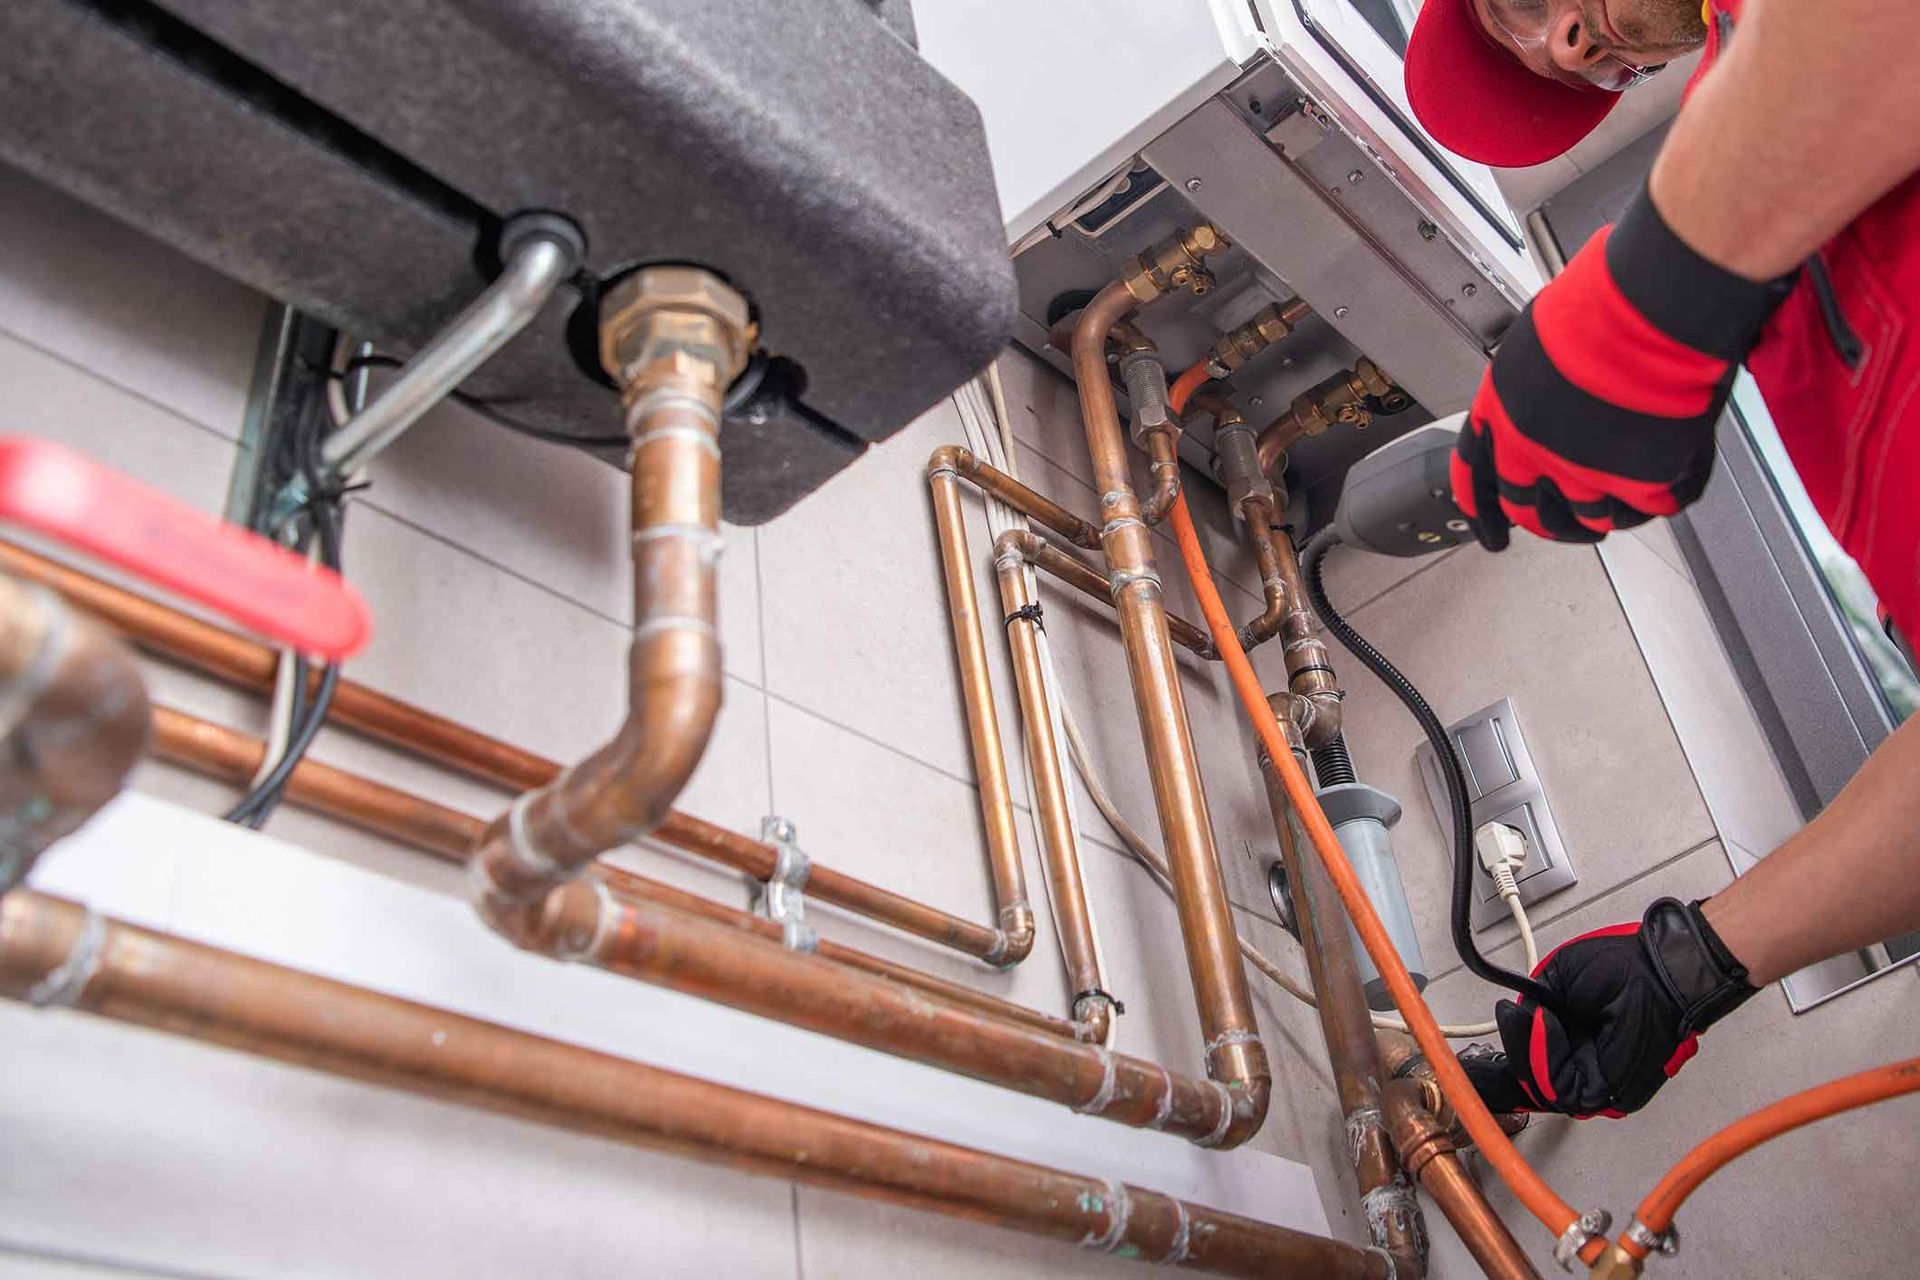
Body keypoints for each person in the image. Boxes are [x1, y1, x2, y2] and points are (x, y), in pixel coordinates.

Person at [1399, 0, 1920, 1119]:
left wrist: (1656, 295)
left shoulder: (1770, 152)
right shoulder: (1796, 269)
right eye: (1547, 59)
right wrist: (1693, 964)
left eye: (1521, 8)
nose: (1565, 46)